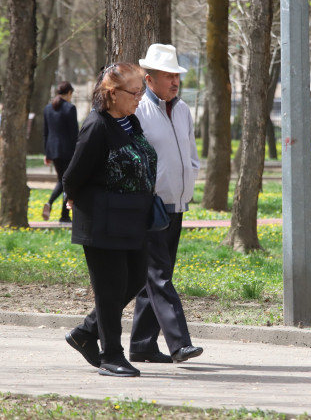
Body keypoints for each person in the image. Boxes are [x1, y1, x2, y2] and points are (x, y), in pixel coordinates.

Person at [62, 62, 156, 378]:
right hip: (102, 220)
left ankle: (86, 332)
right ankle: (111, 356)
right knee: (110, 289)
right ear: (113, 93)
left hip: (131, 218)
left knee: (137, 277)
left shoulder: (130, 122)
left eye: (142, 92)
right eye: (135, 92)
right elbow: (73, 175)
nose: (140, 98)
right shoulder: (97, 126)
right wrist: (72, 196)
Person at [129, 43, 203, 364]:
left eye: (177, 76)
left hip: (177, 206)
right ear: (149, 80)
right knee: (160, 277)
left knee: (154, 279)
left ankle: (142, 345)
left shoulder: (183, 109)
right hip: (150, 207)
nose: (175, 81)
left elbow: (191, 155)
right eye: (168, 76)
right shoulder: (139, 111)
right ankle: (180, 343)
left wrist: (189, 182)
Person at [42, 81, 79, 222]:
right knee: (67, 182)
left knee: (62, 180)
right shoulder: (70, 108)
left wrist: (47, 153)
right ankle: (62, 213)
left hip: (53, 150)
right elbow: (74, 133)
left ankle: (59, 210)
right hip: (68, 151)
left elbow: (45, 133)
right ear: (69, 93)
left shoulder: (48, 109)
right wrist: (78, 151)